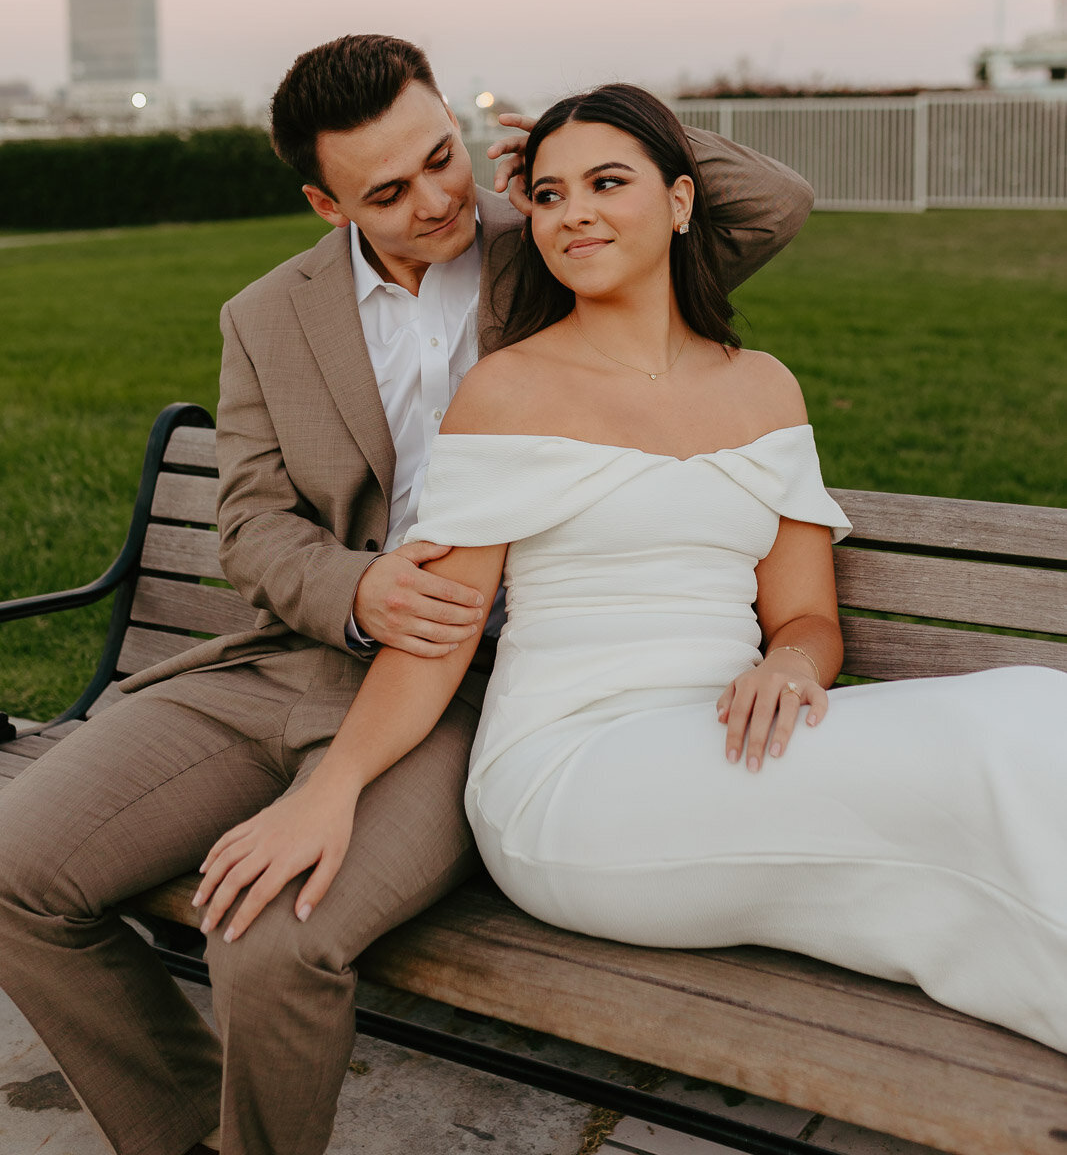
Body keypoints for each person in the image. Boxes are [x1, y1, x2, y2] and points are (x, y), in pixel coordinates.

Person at [0, 40, 814, 1155]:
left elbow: (772, 204)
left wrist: (580, 137)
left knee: (273, 940)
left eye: (443, 156)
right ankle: (186, 1132)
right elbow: (248, 524)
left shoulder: (554, 240)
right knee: (13, 873)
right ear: (323, 201)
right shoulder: (266, 316)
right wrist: (355, 588)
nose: (437, 199)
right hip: (283, 665)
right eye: (387, 190)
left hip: (473, 692)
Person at [195, 81, 1067, 1059]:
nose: (573, 213)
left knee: (1039, 712)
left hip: (725, 737)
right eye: (549, 194)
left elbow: (805, 618)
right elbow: (434, 634)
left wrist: (789, 666)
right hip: (570, 778)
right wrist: (332, 787)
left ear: (682, 200)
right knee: (982, 754)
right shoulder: (507, 390)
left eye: (608, 182)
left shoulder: (761, 386)